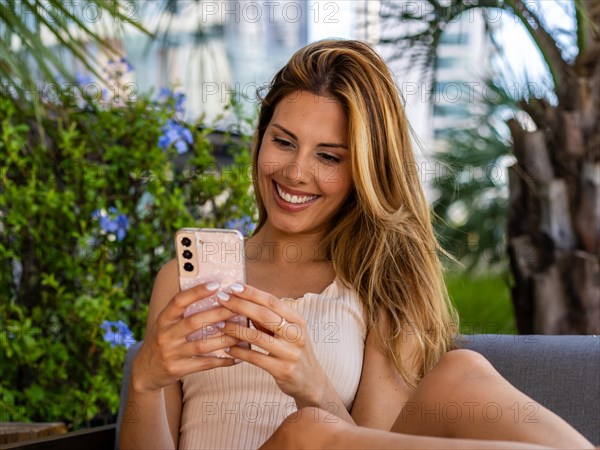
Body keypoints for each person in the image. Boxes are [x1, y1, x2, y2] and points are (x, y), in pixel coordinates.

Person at [120, 39, 593, 449]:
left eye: (328, 156)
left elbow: (375, 446)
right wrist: (144, 380)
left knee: (460, 372)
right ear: (261, 137)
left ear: (363, 171)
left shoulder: (381, 283)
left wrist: (311, 385)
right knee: (307, 430)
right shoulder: (180, 284)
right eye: (283, 142)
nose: (295, 172)